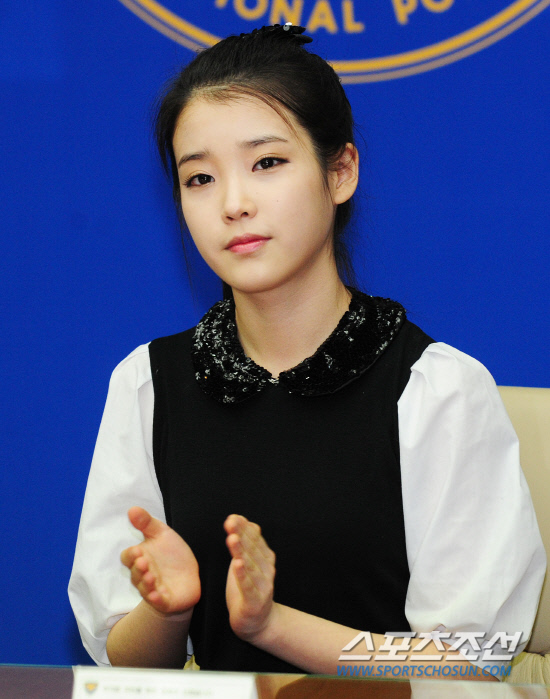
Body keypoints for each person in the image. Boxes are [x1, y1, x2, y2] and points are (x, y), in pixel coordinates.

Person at [68, 24, 545, 679]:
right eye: (200, 177)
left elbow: (474, 662)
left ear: (340, 171)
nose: (234, 204)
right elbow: (121, 659)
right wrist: (167, 611)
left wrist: (272, 625)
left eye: (266, 163)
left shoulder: (439, 388)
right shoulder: (148, 384)